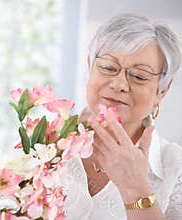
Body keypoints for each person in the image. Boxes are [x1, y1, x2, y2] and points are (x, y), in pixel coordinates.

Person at [63, 14, 182, 220]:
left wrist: (135, 187)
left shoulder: (176, 167)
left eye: (139, 76)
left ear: (161, 91)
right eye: (108, 68)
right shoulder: (42, 145)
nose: (118, 84)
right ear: (90, 66)